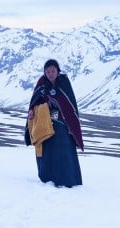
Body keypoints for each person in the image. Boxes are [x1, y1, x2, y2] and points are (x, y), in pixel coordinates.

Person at [24, 59, 84, 187]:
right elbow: (34, 101)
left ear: (58, 71)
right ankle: (48, 179)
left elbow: (70, 106)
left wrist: (70, 126)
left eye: (53, 71)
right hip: (45, 124)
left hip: (63, 125)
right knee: (47, 151)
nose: (50, 74)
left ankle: (69, 180)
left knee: (64, 151)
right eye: (48, 71)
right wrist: (31, 111)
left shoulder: (64, 83)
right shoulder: (41, 84)